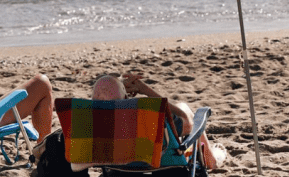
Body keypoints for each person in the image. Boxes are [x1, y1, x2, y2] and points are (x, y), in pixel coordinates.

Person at [88, 73, 226, 170]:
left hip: (119, 171)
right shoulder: (148, 119)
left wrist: (119, 90)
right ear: (125, 96)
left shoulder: (87, 123)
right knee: (184, 108)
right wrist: (146, 90)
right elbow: (189, 124)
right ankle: (212, 159)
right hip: (165, 167)